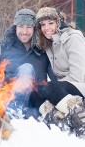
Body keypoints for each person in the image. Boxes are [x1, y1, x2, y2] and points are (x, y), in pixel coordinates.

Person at [0, 9, 54, 120]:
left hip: (34, 106)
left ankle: (15, 113)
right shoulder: (1, 49)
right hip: (6, 101)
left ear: (35, 29)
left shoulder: (44, 52)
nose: (24, 31)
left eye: (29, 27)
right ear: (15, 27)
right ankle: (12, 112)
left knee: (26, 68)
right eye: (21, 26)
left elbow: (58, 76)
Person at [34, 7, 85, 136]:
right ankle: (59, 118)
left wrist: (54, 88)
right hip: (67, 87)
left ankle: (80, 115)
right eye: (43, 25)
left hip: (80, 83)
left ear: (58, 22)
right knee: (35, 94)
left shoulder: (73, 38)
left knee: (49, 87)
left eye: (51, 23)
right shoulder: (49, 44)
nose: (47, 28)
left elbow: (78, 76)